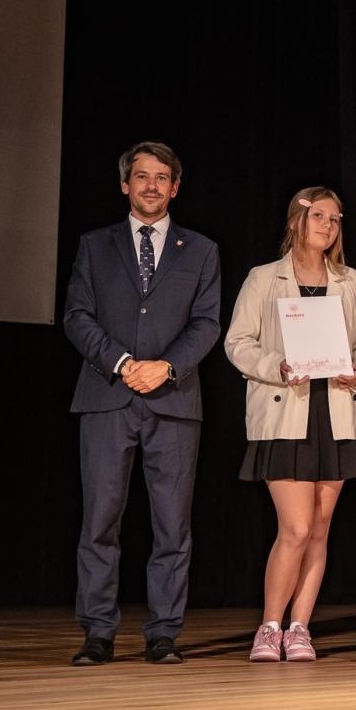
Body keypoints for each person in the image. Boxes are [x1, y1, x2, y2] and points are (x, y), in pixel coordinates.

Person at [64, 141, 221, 666]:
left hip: (174, 401)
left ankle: (164, 632)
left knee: (172, 524)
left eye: (161, 177)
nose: (151, 185)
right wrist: (123, 362)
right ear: (125, 185)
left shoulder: (200, 250)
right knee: (100, 520)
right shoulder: (94, 245)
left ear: (175, 187)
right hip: (107, 397)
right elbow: (77, 316)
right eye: (141, 176)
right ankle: (98, 632)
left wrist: (167, 366)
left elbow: (207, 324)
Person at [225, 187, 356, 662]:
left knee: (320, 528)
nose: (328, 226)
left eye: (335, 219)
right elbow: (238, 343)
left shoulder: (350, 281)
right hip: (285, 410)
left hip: (335, 413)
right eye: (318, 217)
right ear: (296, 220)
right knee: (294, 526)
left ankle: (301, 628)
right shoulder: (264, 279)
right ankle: (270, 626)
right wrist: (279, 365)